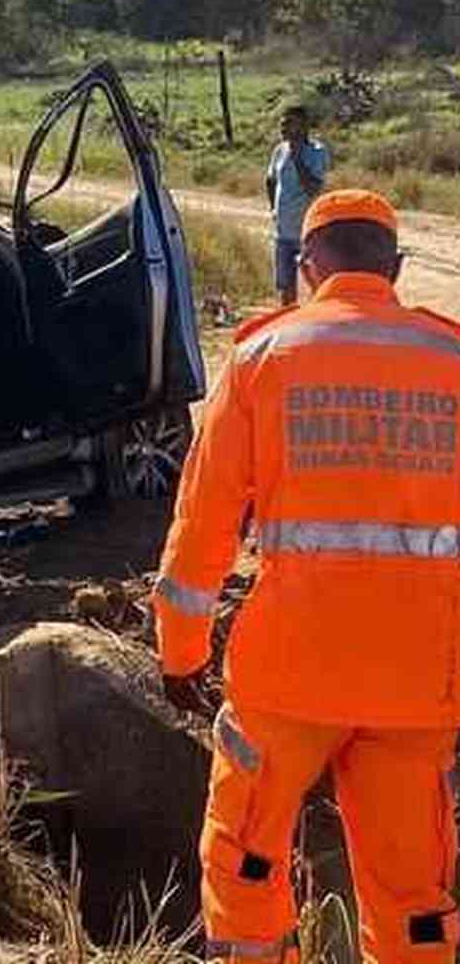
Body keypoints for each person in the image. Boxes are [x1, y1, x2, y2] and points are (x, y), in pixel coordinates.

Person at [154, 189, 460, 964]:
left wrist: (180, 652)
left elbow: (203, 526)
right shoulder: (451, 360)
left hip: (288, 680)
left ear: (307, 264)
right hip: (420, 686)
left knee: (247, 862)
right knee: (413, 892)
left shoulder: (263, 357)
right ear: (393, 267)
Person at [266, 105, 328, 306]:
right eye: (282, 124)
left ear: (304, 126)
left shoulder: (317, 152)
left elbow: (313, 188)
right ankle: (289, 328)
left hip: (308, 233)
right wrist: (273, 209)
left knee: (317, 285)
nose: (283, 128)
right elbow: (270, 179)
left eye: (289, 124)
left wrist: (296, 157)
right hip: (283, 232)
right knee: (285, 287)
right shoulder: (279, 150)